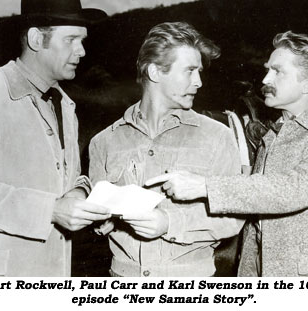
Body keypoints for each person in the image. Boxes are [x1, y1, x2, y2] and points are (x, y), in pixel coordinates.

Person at [146, 31, 308, 276]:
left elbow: (295, 189)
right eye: (267, 69)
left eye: (277, 71)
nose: (265, 78)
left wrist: (204, 186)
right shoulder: (271, 138)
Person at [0, 0, 111, 276]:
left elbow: (67, 180)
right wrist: (51, 210)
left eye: (82, 41)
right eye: (71, 39)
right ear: (35, 39)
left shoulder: (66, 105)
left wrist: (83, 196)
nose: (81, 51)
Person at [89, 22, 244, 277]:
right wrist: (103, 221)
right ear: (154, 72)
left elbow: (233, 218)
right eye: (190, 71)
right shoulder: (104, 142)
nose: (199, 82)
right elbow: (100, 214)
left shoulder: (218, 137)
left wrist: (170, 223)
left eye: (200, 71)